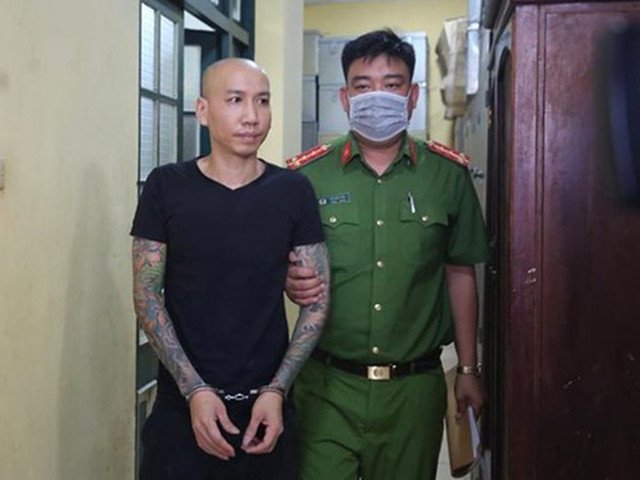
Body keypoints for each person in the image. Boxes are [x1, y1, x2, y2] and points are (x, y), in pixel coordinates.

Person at [286, 30, 489, 480]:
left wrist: (468, 369)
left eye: (391, 84)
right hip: (326, 387)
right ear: (345, 97)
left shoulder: (447, 175)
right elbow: (279, 262)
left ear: (412, 96)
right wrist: (288, 278)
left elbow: (460, 273)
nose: (376, 96)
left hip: (412, 392)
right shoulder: (306, 177)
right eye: (363, 86)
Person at [131, 58, 330, 480]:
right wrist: (194, 390)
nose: (252, 116)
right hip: (181, 406)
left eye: (263, 101)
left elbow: (316, 301)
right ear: (203, 111)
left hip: (266, 409)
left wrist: (278, 389)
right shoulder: (167, 185)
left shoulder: (293, 190)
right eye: (235, 100)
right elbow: (147, 295)